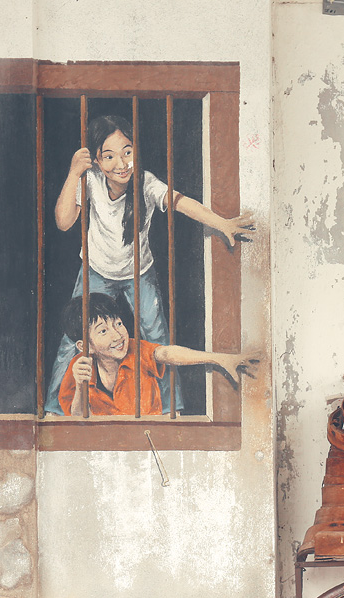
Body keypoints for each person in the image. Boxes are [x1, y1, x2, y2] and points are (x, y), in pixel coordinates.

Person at [45, 114, 255, 415]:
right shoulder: (89, 180)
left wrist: (222, 223)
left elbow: (181, 202)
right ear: (97, 162)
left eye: (127, 152)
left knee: (157, 340)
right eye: (109, 156)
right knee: (74, 340)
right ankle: (55, 411)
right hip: (95, 270)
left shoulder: (145, 182)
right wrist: (73, 172)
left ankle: (171, 410)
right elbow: (64, 222)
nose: (121, 163)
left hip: (138, 272)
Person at [58, 293, 259, 418]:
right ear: (85, 346)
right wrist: (81, 385)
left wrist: (219, 358)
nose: (117, 335)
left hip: (149, 439)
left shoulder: (136, 350)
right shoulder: (79, 367)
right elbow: (75, 417)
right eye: (103, 331)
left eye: (118, 324)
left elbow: (166, 352)